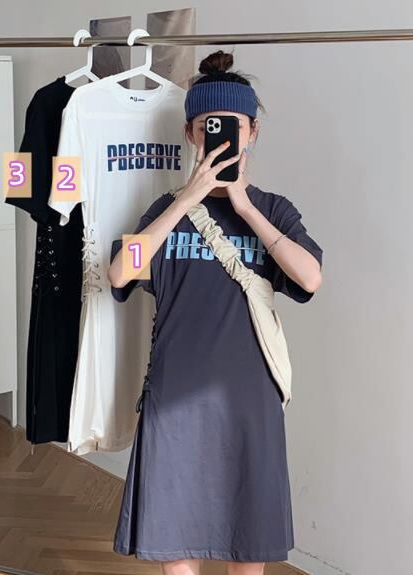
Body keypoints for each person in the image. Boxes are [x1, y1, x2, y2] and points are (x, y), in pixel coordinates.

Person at [107, 50, 323, 575]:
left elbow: (309, 277)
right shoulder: (165, 211)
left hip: (250, 402)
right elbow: (119, 272)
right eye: (208, 127)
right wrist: (187, 199)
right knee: (173, 538)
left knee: (247, 542)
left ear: (252, 133)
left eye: (231, 127)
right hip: (175, 398)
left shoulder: (273, 210)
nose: (219, 137)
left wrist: (243, 205)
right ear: (190, 135)